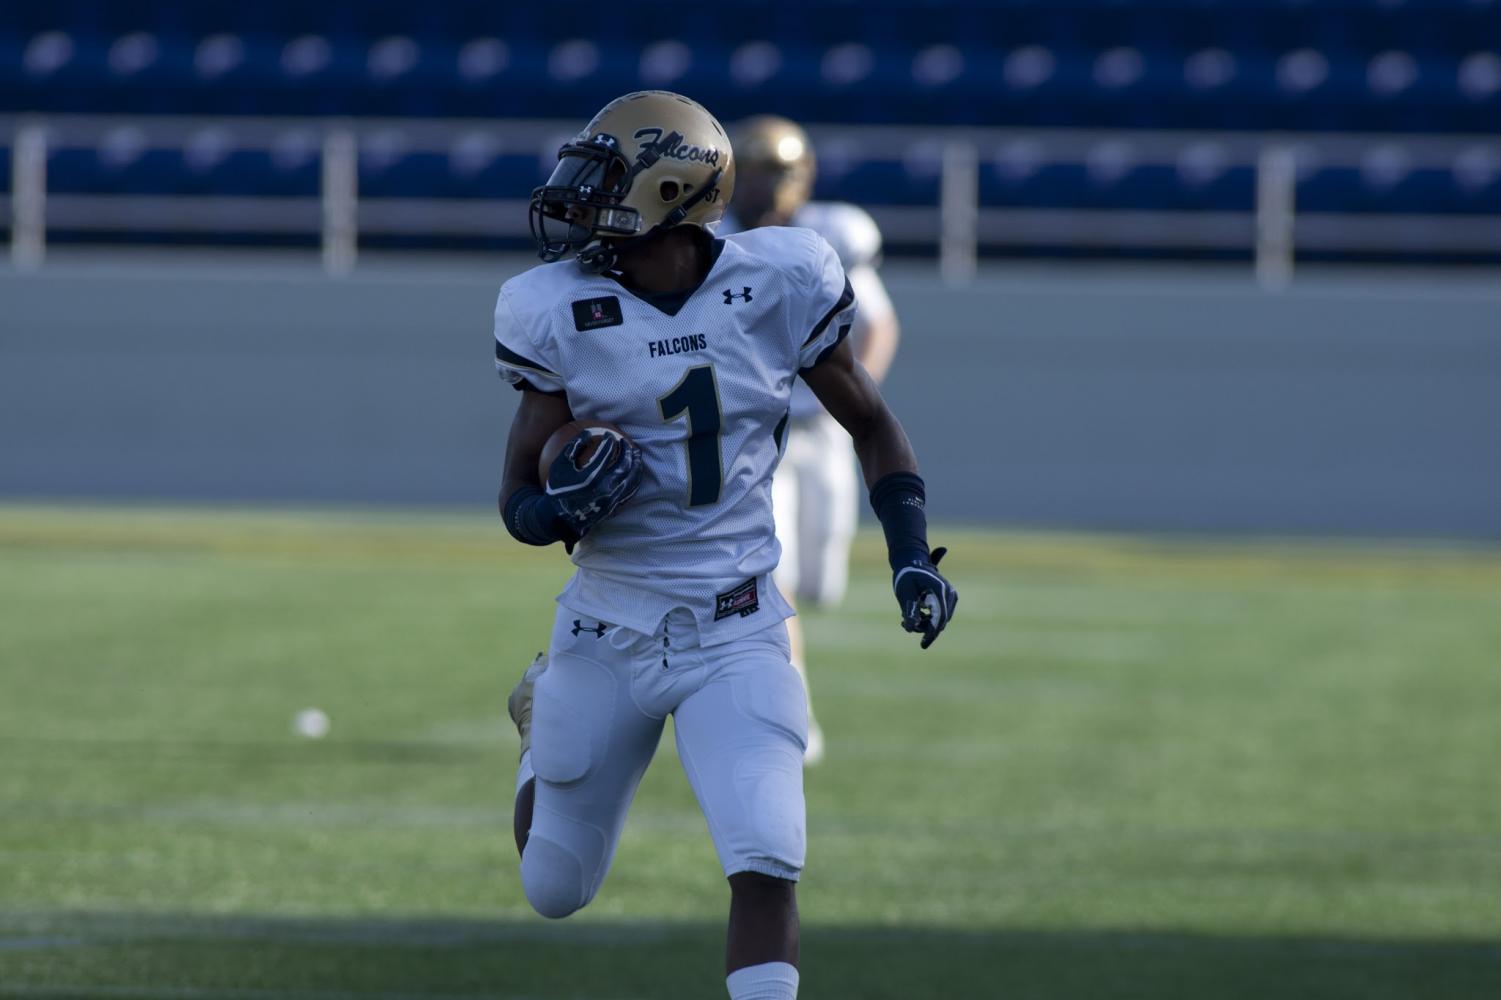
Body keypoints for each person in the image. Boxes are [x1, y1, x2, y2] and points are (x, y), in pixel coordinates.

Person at [493, 90, 958, 1000]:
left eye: (603, 181)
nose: (576, 199)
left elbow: (870, 421)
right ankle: (537, 715)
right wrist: (556, 510)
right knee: (553, 887)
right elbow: (515, 491)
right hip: (607, 619)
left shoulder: (779, 277)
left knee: (767, 850)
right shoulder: (554, 307)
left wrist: (909, 550)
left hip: (736, 622)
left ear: (669, 191)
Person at [721, 115, 903, 765]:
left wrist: (855, 399)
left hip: (820, 430)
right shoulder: (711, 240)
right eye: (763, 172)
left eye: (784, 173)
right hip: (751, 437)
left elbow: (879, 324)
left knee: (820, 581)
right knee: (777, 574)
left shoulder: (832, 234)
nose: (773, 188)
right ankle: (796, 712)